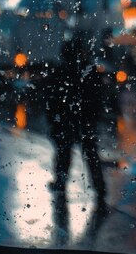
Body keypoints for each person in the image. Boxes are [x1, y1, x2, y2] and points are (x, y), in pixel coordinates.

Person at [46, 38, 107, 206]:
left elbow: (53, 99)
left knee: (64, 153)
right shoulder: (89, 70)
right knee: (90, 154)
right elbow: (98, 96)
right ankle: (99, 187)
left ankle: (61, 183)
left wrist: (53, 120)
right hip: (85, 120)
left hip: (67, 120)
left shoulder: (61, 71)